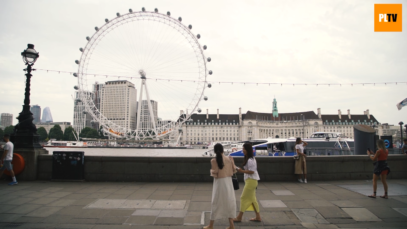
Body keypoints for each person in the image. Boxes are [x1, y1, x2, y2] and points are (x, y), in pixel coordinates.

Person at [204, 143, 237, 229]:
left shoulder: (214, 160)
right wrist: (232, 161)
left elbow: (214, 173)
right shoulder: (229, 159)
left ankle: (211, 225)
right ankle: (231, 225)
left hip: (219, 183)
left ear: (215, 151)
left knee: (216, 202)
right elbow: (234, 170)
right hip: (228, 182)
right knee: (229, 202)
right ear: (223, 150)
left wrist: (211, 170)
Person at [233, 143, 261, 223]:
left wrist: (242, 171)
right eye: (243, 149)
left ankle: (239, 217)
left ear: (248, 150)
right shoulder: (249, 158)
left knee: (243, 198)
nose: (243, 150)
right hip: (251, 181)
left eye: (244, 149)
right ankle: (258, 217)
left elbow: (252, 171)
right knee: (253, 200)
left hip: (251, 181)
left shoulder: (250, 160)